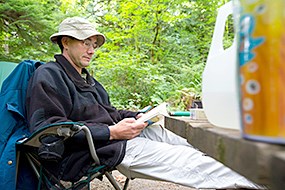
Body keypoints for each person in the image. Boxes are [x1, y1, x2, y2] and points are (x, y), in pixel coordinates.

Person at [26, 17, 264, 189]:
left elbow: (109, 111)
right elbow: (50, 128)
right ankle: (263, 182)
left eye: (94, 44)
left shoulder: (87, 79)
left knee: (182, 142)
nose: (92, 50)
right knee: (190, 162)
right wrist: (111, 132)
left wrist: (140, 115)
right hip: (92, 151)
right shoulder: (49, 75)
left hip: (113, 139)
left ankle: (244, 172)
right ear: (65, 42)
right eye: (85, 43)